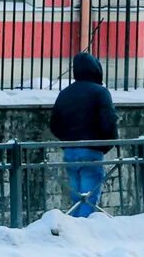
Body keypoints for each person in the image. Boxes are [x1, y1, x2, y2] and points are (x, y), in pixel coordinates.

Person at [48, 50, 117, 216]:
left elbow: (54, 124)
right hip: (92, 149)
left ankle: (73, 230)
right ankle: (84, 231)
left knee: (77, 197)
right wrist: (105, 145)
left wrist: (68, 140)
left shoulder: (65, 93)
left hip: (70, 150)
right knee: (89, 198)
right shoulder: (100, 93)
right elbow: (108, 123)